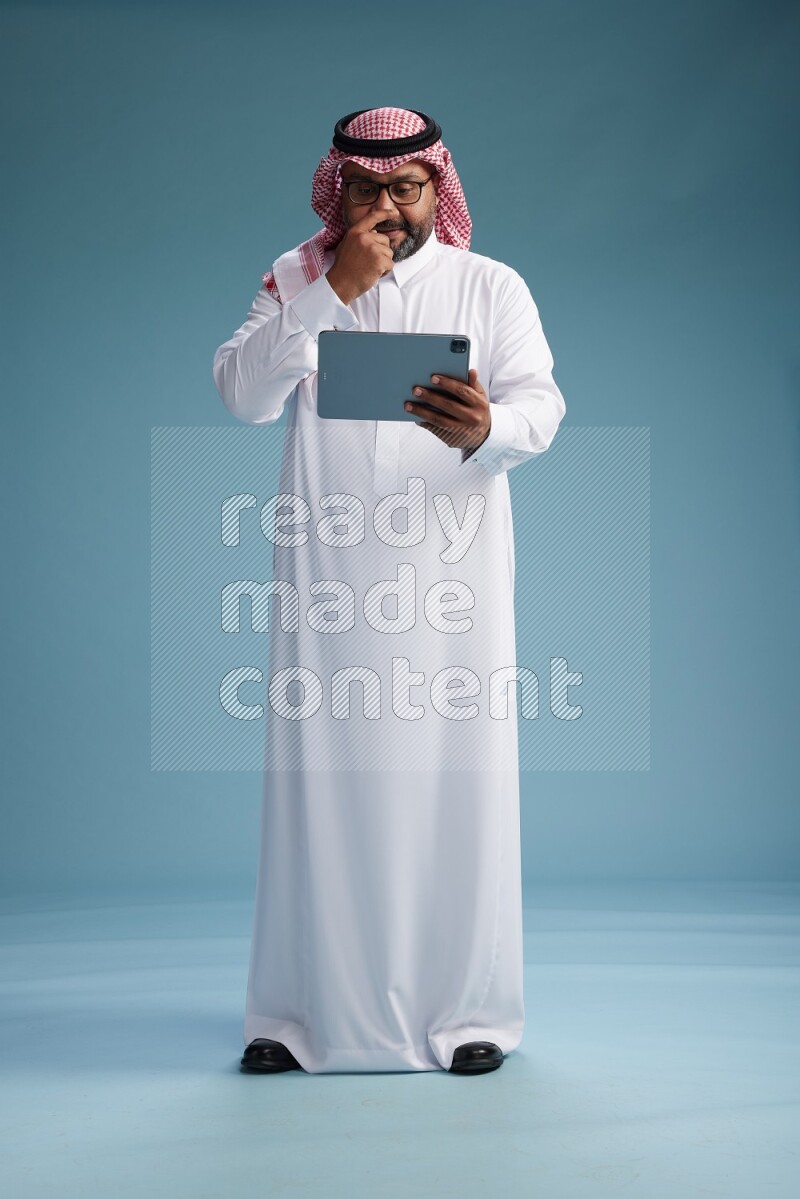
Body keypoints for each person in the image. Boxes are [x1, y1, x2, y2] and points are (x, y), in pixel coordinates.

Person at [212, 107, 566, 1076]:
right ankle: (295, 1016)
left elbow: (541, 399)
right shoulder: (293, 279)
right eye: (366, 190)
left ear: (433, 189)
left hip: (449, 578)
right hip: (328, 583)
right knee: (319, 786)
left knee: (457, 781)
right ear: (339, 188)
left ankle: (470, 1012)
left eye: (404, 189)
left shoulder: (486, 285)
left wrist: (486, 427)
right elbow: (241, 396)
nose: (385, 208)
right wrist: (334, 293)